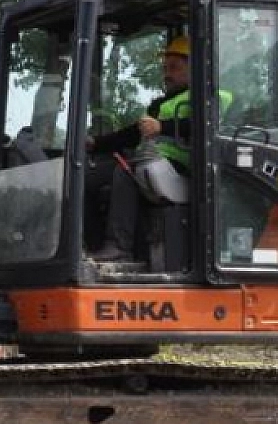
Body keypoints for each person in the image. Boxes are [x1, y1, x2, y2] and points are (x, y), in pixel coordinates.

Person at [86, 35, 221, 262]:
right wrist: (97, 143)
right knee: (86, 178)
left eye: (174, 68)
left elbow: (206, 126)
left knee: (125, 173)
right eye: (165, 68)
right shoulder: (160, 104)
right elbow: (134, 133)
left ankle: (120, 248)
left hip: (187, 171)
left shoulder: (207, 98)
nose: (167, 74)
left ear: (196, 68)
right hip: (152, 161)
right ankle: (89, 246)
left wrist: (163, 127)